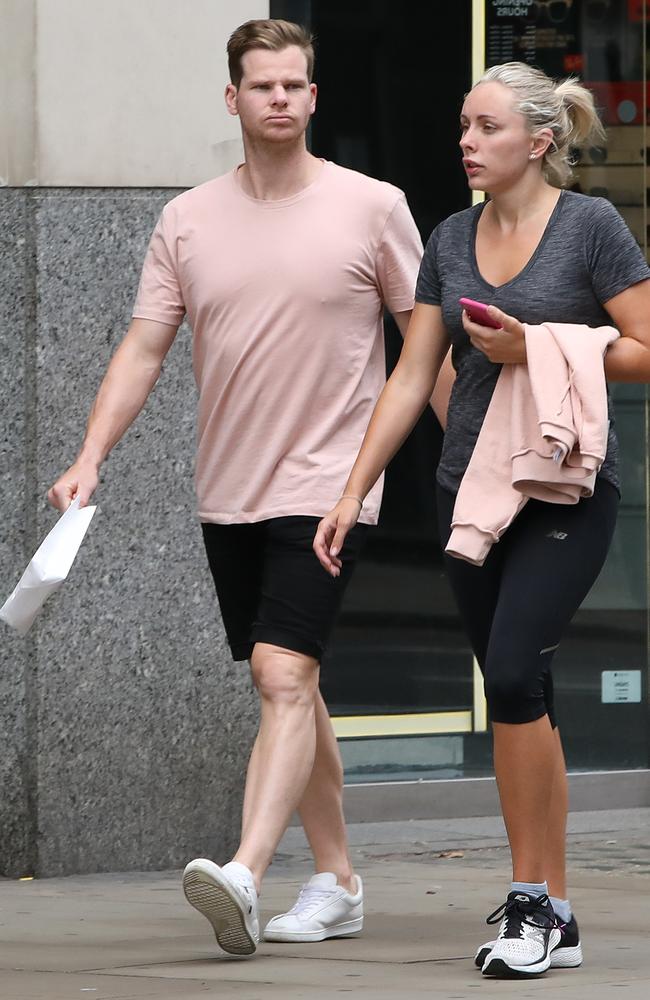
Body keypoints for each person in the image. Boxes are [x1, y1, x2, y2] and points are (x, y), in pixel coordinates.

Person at [47, 18, 422, 956]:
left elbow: (426, 350)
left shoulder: (373, 206)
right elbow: (144, 346)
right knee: (297, 686)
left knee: (281, 671)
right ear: (234, 99)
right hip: (231, 491)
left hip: (332, 483)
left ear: (314, 97)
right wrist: (92, 453)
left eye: (296, 85)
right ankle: (337, 882)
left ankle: (247, 872)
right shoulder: (188, 218)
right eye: (264, 87)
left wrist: (469, 463)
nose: (282, 100)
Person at [314, 61, 650, 978]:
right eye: (464, 124)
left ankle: (531, 901)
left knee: (510, 671)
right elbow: (413, 374)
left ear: (539, 141)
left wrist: (533, 345)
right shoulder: (450, 237)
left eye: (487, 126)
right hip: (472, 489)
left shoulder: (591, 229)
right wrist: (352, 492)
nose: (466, 140)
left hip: (565, 485)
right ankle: (557, 907)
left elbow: (647, 346)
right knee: (521, 694)